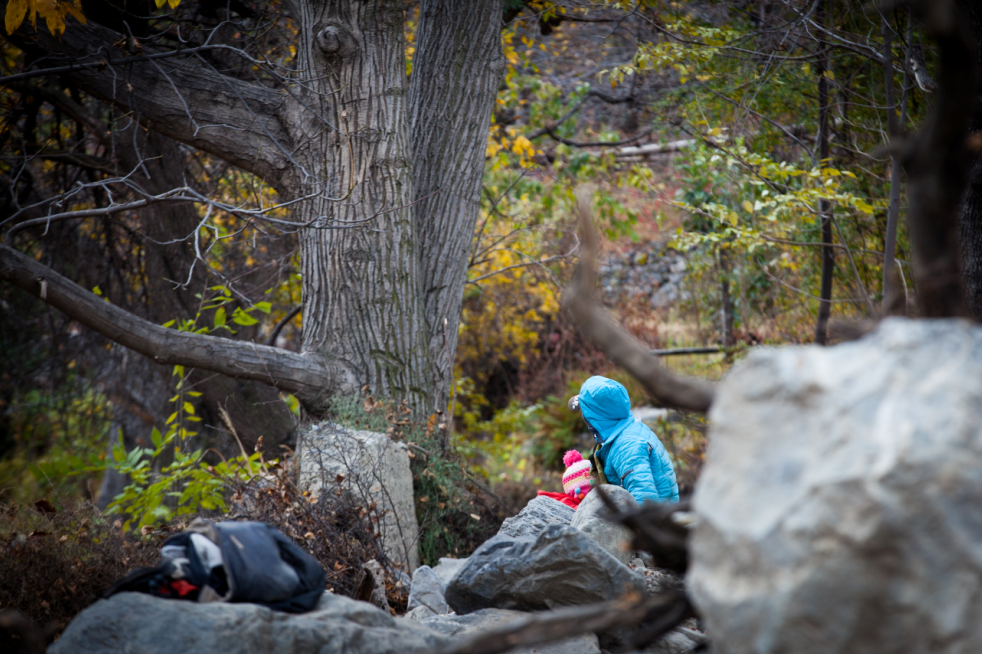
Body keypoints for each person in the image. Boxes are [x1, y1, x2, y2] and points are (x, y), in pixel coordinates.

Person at [568, 375, 679, 504]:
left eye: (585, 411)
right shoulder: (625, 429)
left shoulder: (627, 447)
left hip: (656, 519)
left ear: (596, 417)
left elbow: (644, 499)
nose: (583, 416)